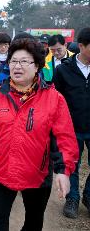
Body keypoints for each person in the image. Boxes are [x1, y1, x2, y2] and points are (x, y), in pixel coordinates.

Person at [0, 38, 79, 231]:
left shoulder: (54, 99)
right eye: (14, 61)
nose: (17, 66)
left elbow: (64, 138)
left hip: (37, 174)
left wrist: (63, 171)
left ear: (37, 66)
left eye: (24, 61)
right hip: (2, 169)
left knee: (33, 220)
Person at [54, 27, 90, 219]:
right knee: (72, 165)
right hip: (72, 128)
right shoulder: (63, 70)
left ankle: (89, 196)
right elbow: (56, 100)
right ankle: (72, 199)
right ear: (82, 46)